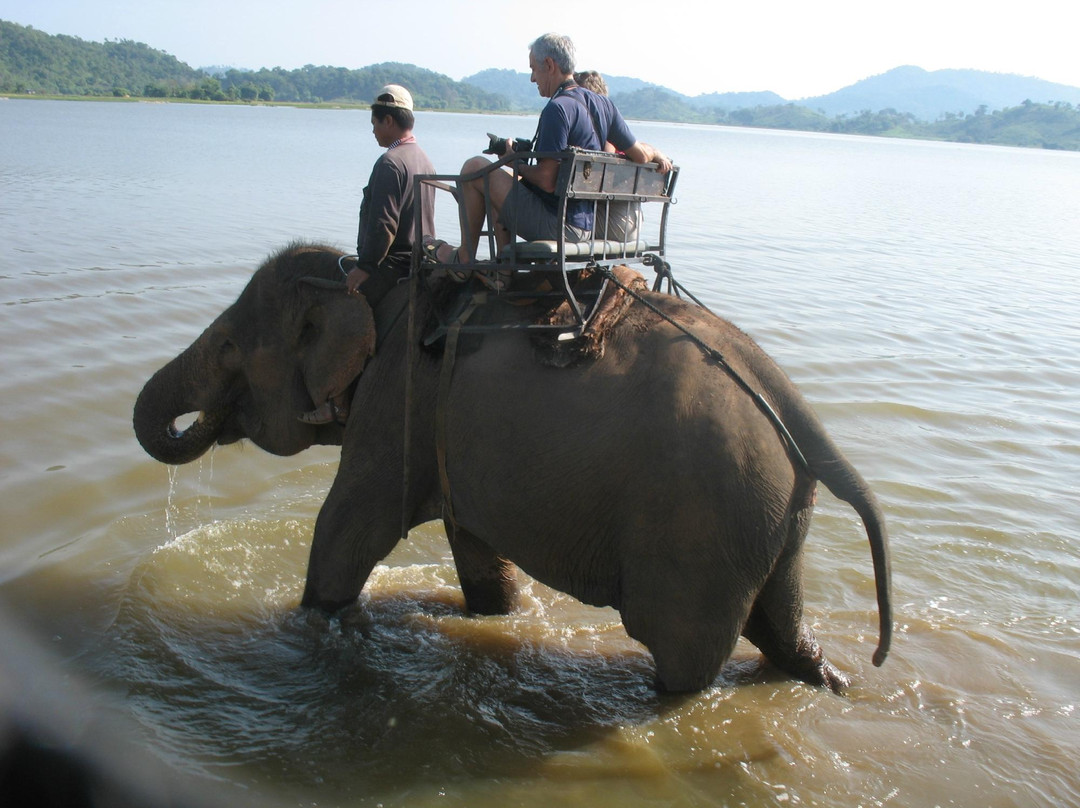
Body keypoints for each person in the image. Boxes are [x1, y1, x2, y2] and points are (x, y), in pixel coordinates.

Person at [425, 33, 671, 290]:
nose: (533, 78)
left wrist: (511, 162)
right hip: (587, 225)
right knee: (501, 180)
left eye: (534, 69)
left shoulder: (558, 109)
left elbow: (546, 180)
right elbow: (641, 156)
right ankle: (504, 270)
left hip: (561, 228)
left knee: (475, 168)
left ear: (550, 65)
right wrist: (656, 152)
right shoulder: (603, 104)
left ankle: (463, 261)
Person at [344, 84, 435, 304]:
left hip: (392, 266)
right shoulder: (425, 160)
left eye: (374, 123)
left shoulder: (390, 163)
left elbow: (383, 224)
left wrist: (365, 267)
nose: (373, 130)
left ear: (388, 121)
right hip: (419, 260)